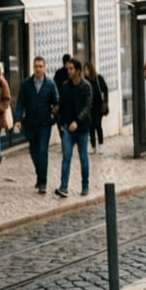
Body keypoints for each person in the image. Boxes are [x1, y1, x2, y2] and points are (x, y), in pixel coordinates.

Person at [14, 57, 59, 193]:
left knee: (42, 151)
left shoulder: (50, 85)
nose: (38, 69)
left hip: (45, 124)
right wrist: (18, 119)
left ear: (44, 68)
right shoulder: (26, 84)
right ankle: (39, 176)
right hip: (31, 124)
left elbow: (57, 103)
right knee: (33, 152)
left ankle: (43, 183)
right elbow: (20, 102)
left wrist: (53, 118)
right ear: (33, 68)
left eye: (40, 66)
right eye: (36, 66)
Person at [55, 58, 92, 197]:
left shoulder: (86, 86)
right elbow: (62, 107)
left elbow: (87, 107)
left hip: (82, 128)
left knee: (83, 157)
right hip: (68, 128)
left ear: (78, 71)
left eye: (71, 69)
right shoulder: (65, 86)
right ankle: (63, 187)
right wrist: (61, 125)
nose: (68, 71)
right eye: (67, 69)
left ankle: (85, 185)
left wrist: (77, 121)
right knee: (66, 156)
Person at [83, 62, 108, 155]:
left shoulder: (98, 78)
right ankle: (93, 146)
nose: (85, 71)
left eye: (86, 69)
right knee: (91, 127)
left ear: (90, 69)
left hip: (98, 106)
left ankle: (101, 145)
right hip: (89, 107)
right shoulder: (84, 81)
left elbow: (105, 88)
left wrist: (105, 101)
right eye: (84, 69)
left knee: (98, 125)